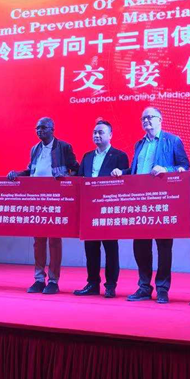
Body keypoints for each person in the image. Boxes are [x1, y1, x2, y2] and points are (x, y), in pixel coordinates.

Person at [111, 106, 190, 304]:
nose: (146, 121)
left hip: (163, 202)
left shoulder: (173, 140)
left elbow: (184, 167)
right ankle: (144, 286)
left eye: (150, 117)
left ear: (160, 120)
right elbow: (137, 170)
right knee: (141, 246)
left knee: (164, 247)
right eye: (143, 118)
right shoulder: (139, 144)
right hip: (140, 202)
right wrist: (122, 172)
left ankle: (162, 288)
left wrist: (166, 169)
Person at [8, 117, 78, 295]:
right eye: (37, 128)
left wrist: (64, 177)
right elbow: (31, 171)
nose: (39, 131)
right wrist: (17, 174)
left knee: (54, 240)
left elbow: (76, 170)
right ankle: (39, 279)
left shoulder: (64, 147)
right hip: (37, 200)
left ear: (52, 129)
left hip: (56, 200)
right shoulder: (35, 149)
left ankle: (53, 281)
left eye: (43, 128)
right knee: (38, 241)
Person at [74, 121, 129, 298]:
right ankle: (92, 283)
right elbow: (80, 179)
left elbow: (126, 181)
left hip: (109, 209)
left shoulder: (119, 156)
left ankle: (110, 285)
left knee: (111, 249)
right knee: (91, 248)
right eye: (94, 132)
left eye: (101, 132)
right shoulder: (87, 156)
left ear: (110, 135)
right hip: (89, 209)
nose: (97, 135)